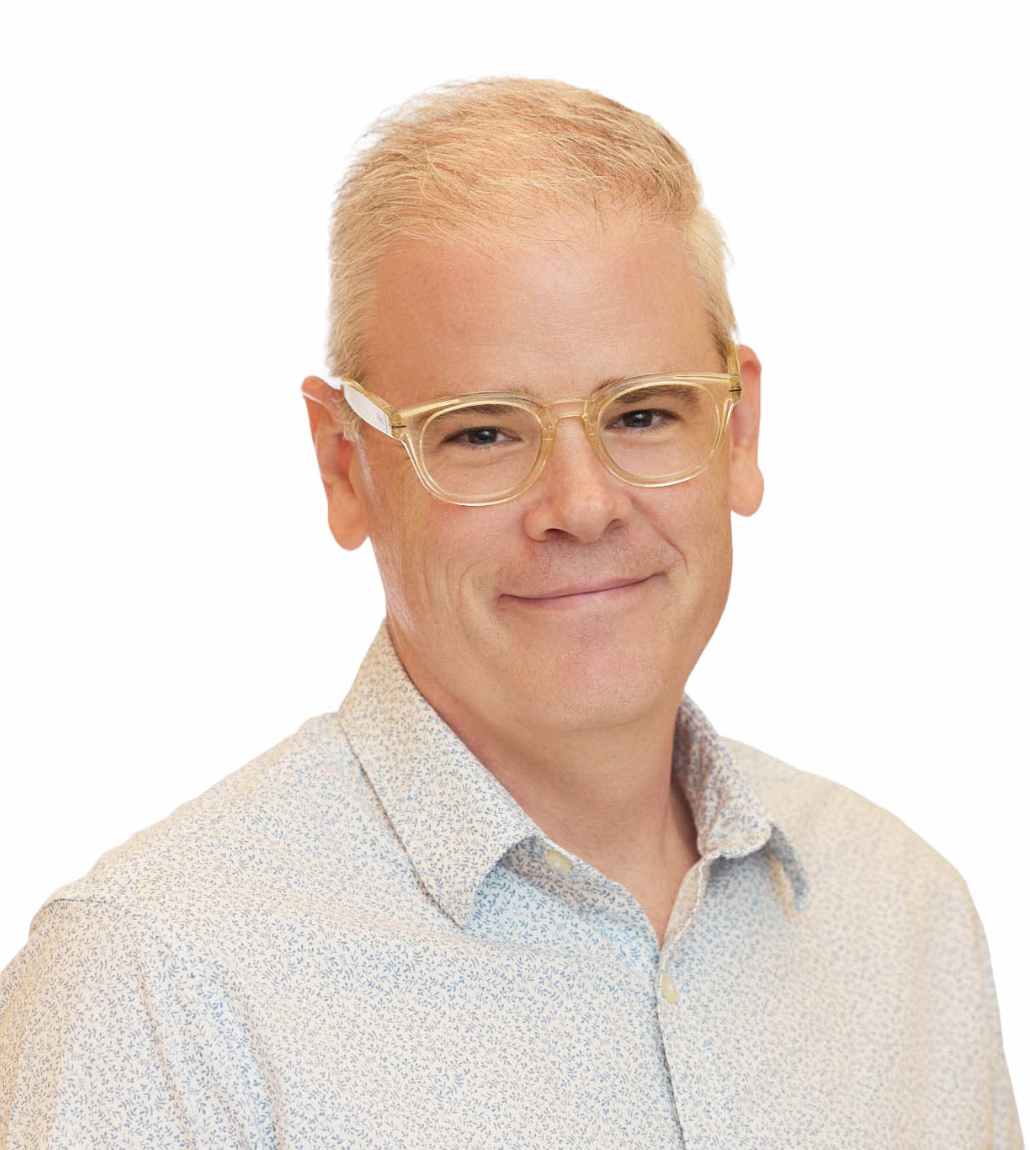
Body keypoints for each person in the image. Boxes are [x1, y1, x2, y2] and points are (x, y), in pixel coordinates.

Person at [0, 77, 1020, 1149]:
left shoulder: (907, 921)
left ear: (739, 430)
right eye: (481, 431)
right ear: (345, 466)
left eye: (643, 413)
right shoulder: (157, 990)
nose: (582, 505)